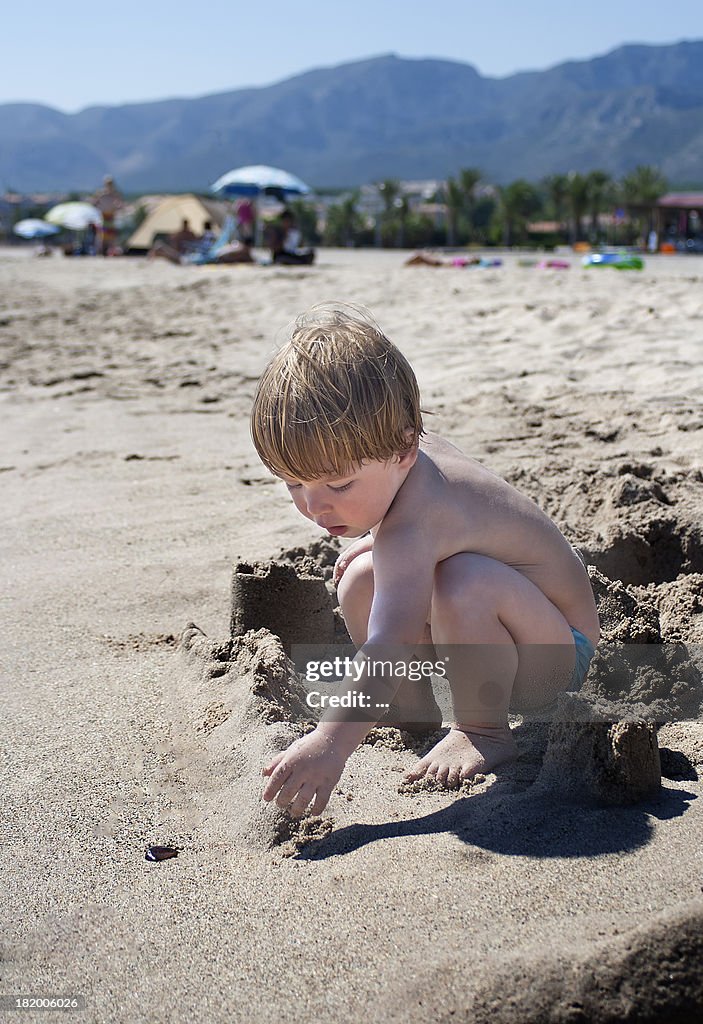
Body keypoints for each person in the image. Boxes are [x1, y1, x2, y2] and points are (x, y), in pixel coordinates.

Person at [252, 305, 600, 818]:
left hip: (557, 656)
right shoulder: (401, 461)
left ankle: (482, 730)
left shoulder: (415, 521)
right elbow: (461, 530)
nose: (314, 505)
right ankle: (411, 710)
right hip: (502, 637)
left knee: (463, 580)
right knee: (360, 578)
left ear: (403, 451)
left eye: (339, 484)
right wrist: (379, 545)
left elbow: (388, 642)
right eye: (295, 483)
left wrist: (331, 742)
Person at [92, 175, 123, 255]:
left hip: (111, 217)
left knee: (111, 237)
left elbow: (120, 204)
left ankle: (110, 252)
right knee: (103, 236)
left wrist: (116, 207)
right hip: (104, 217)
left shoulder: (115, 194)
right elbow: (95, 203)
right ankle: (102, 252)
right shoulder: (102, 193)